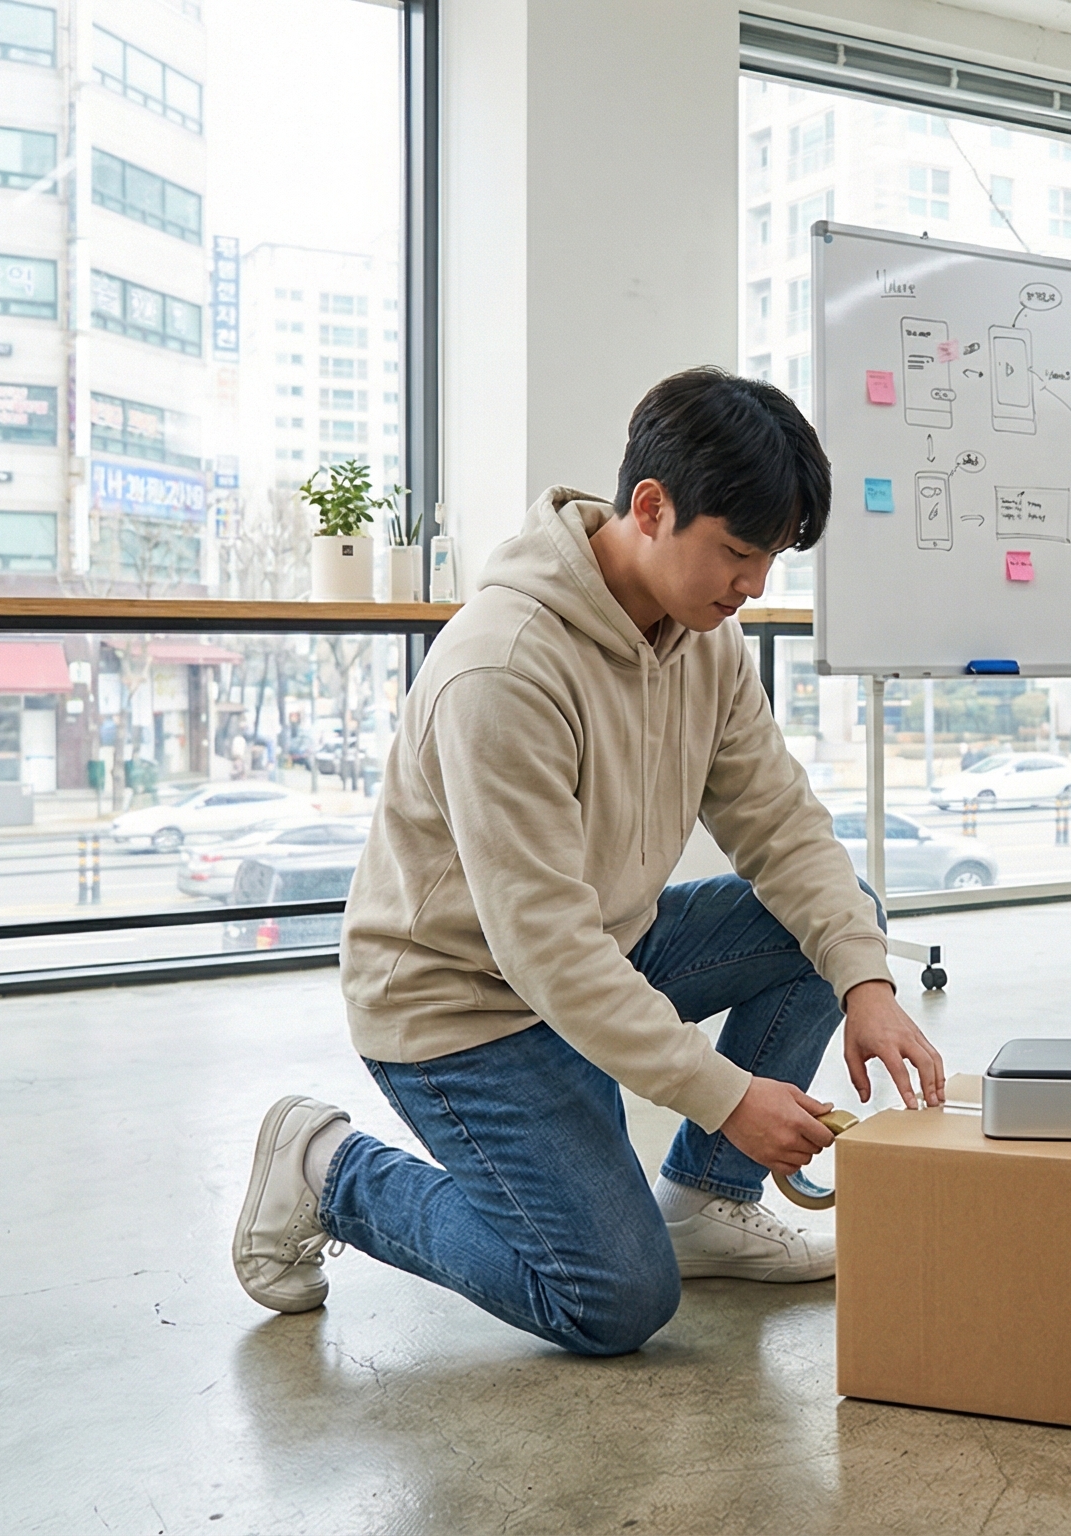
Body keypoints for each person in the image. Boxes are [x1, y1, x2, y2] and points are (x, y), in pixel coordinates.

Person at [229, 368, 946, 1355]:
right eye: (739, 553)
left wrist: (867, 985)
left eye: (771, 559)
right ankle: (329, 1171)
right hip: (460, 1008)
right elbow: (546, 949)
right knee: (611, 1301)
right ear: (651, 509)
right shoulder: (503, 668)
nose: (753, 586)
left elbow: (780, 824)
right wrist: (728, 1096)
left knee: (833, 921)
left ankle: (706, 1200)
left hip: (603, 952)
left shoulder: (707, 642)